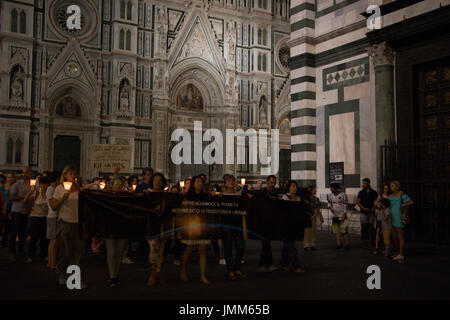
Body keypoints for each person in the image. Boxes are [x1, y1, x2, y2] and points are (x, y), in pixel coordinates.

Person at [49, 165, 87, 288]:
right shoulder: (59, 189)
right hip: (65, 223)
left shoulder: (78, 188)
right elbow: (54, 207)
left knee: (78, 252)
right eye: (70, 174)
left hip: (78, 223)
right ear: (65, 175)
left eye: (74, 173)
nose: (73, 175)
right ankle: (61, 273)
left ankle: (74, 280)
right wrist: (63, 198)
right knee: (66, 251)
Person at [180, 175, 211, 285]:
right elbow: (184, 210)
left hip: (203, 225)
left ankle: (203, 276)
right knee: (189, 249)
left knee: (202, 251)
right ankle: (183, 270)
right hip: (192, 225)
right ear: (193, 184)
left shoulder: (206, 196)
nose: (200, 184)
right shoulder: (188, 196)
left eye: (201, 182)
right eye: (198, 182)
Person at [221, 175, 247, 280]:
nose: (231, 182)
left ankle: (237, 268)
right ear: (225, 184)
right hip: (227, 225)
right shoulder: (222, 196)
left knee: (240, 247)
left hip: (238, 224)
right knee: (228, 248)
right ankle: (230, 270)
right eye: (229, 181)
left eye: (233, 181)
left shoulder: (238, 195)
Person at [105, 177, 129, 288]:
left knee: (119, 253)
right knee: (111, 252)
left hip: (122, 228)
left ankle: (115, 273)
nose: (118, 186)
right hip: (109, 227)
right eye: (116, 184)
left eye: (120, 184)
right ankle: (112, 276)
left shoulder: (126, 197)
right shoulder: (107, 197)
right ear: (112, 185)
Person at [252, 175, 279, 272]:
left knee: (266, 244)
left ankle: (264, 264)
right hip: (262, 223)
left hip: (271, 222)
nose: (272, 184)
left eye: (274, 182)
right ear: (267, 182)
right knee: (266, 243)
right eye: (271, 182)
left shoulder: (274, 194)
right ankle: (267, 264)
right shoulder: (261, 193)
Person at [279, 180, 306, 274]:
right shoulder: (285, 197)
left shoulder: (298, 198)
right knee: (291, 246)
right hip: (286, 226)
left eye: (296, 186)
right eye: (293, 186)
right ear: (289, 188)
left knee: (287, 245)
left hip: (295, 225)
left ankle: (284, 264)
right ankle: (296, 266)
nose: (295, 188)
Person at [147, 173, 168, 286]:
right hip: (152, 227)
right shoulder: (148, 195)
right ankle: (153, 273)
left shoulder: (167, 196)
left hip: (164, 227)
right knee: (153, 250)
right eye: (156, 180)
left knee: (161, 251)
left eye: (160, 180)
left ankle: (159, 272)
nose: (158, 182)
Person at [9, 167, 33, 261]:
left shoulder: (32, 185)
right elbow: (12, 197)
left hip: (26, 212)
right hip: (17, 211)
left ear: (31, 173)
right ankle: (12, 251)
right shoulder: (17, 184)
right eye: (23, 173)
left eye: (26, 173)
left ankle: (21, 251)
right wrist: (24, 197)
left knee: (23, 233)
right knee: (14, 232)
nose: (24, 174)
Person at [26, 176, 51, 263]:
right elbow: (26, 202)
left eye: (45, 184)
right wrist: (29, 193)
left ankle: (43, 254)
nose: (44, 186)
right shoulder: (36, 193)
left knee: (44, 237)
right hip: (35, 217)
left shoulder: (49, 194)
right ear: (39, 184)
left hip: (45, 217)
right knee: (33, 237)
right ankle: (30, 255)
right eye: (42, 184)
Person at [388, 180, 413, 262]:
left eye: (392, 185)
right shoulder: (390, 196)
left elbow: (411, 202)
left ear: (397, 186)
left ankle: (401, 254)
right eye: (390, 186)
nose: (391, 187)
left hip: (399, 217)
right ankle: (397, 252)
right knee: (394, 236)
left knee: (400, 236)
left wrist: (403, 205)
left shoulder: (402, 195)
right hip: (392, 217)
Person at [357, 178, 378, 248]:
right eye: (363, 183)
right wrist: (363, 208)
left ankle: (371, 241)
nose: (363, 185)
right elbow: (358, 202)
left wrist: (373, 208)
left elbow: (376, 202)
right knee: (364, 227)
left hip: (371, 212)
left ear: (369, 184)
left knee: (371, 226)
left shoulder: (374, 192)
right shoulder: (361, 192)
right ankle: (364, 241)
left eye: (365, 183)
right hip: (363, 212)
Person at [327, 183, 350, 250]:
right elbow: (329, 202)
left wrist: (344, 214)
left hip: (342, 215)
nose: (330, 189)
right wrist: (330, 207)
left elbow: (346, 204)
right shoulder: (330, 195)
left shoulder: (343, 195)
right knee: (336, 230)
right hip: (334, 216)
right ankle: (338, 243)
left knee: (344, 230)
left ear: (336, 188)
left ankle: (347, 243)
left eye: (332, 188)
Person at [46, 172, 59, 269]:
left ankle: (51, 262)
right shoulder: (51, 189)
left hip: (51, 216)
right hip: (53, 216)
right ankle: (52, 262)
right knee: (54, 240)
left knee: (52, 240)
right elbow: (52, 205)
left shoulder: (50, 189)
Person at [373, 183, 391, 255]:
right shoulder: (380, 196)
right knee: (378, 232)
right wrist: (378, 205)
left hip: (386, 215)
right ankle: (377, 248)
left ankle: (386, 249)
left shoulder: (391, 196)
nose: (386, 190)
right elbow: (376, 204)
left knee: (386, 233)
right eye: (385, 188)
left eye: (387, 189)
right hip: (380, 215)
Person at [0, 173, 16, 248]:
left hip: (12, 208)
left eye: (12, 177)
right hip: (4, 207)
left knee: (9, 226)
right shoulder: (3, 187)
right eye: (9, 177)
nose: (10, 179)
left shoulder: (15, 187)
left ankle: (6, 241)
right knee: (3, 224)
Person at [304, 186, 321, 251]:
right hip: (306, 217)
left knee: (313, 231)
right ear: (310, 191)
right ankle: (306, 245)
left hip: (314, 216)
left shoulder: (316, 199)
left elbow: (317, 208)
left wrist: (314, 215)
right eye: (314, 190)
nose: (315, 191)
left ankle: (312, 244)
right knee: (306, 231)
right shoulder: (305, 199)